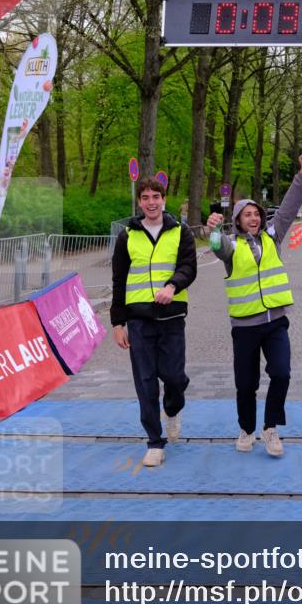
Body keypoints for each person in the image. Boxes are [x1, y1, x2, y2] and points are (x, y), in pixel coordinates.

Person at [206, 154, 302, 457]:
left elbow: (290, 207)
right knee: (246, 383)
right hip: (245, 327)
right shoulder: (231, 246)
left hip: (275, 321)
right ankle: (246, 429)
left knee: (281, 373)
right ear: (237, 220)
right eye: (246, 214)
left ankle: (270, 428)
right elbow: (215, 245)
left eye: (256, 213)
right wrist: (212, 228)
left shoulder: (272, 237)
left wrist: (301, 175)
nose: (253, 218)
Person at [111, 177, 197, 467]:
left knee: (174, 378)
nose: (151, 202)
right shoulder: (127, 236)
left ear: (164, 199)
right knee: (145, 381)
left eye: (155, 197)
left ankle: (172, 410)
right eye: (145, 197)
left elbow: (189, 267)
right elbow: (118, 280)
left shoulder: (180, 232)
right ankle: (154, 441)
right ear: (139, 202)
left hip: (172, 317)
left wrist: (172, 287)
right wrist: (118, 323)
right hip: (138, 321)